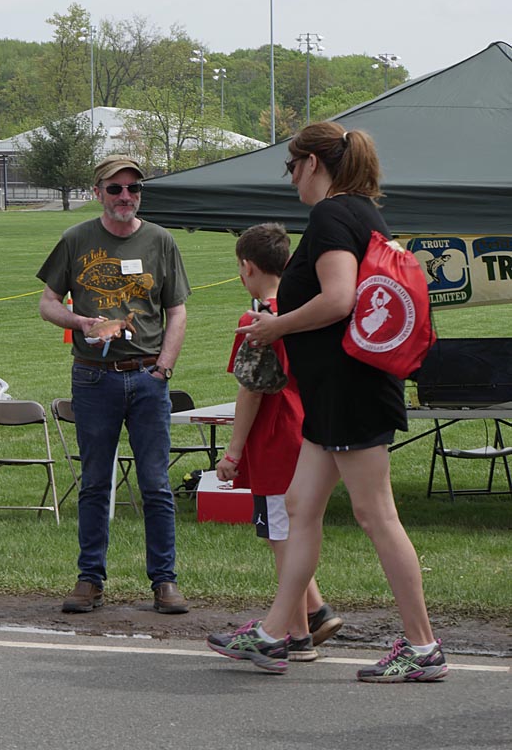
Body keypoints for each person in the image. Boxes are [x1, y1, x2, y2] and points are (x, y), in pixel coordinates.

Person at [207, 122, 448, 682]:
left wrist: (276, 327)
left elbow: (339, 299)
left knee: (376, 514)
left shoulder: (332, 215)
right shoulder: (362, 211)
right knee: (298, 507)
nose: (290, 178)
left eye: (290, 166)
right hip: (335, 393)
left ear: (312, 163)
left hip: (348, 390)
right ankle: (273, 635)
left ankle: (423, 646)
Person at [37, 154, 191, 616]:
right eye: (115, 189)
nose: (126, 197)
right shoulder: (76, 238)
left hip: (147, 377)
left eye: (133, 189)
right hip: (93, 376)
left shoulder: (160, 241)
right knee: (94, 482)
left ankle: (165, 581)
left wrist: (163, 368)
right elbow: (47, 303)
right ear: (98, 192)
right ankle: (90, 580)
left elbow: (177, 310)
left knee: (156, 484)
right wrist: (79, 319)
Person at [212, 223, 342, 666]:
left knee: (280, 534)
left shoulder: (258, 321)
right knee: (294, 528)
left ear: (247, 267)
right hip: (308, 428)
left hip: (274, 436)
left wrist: (232, 451)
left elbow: (250, 391)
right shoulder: (306, 310)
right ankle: (313, 611)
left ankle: (298, 633)